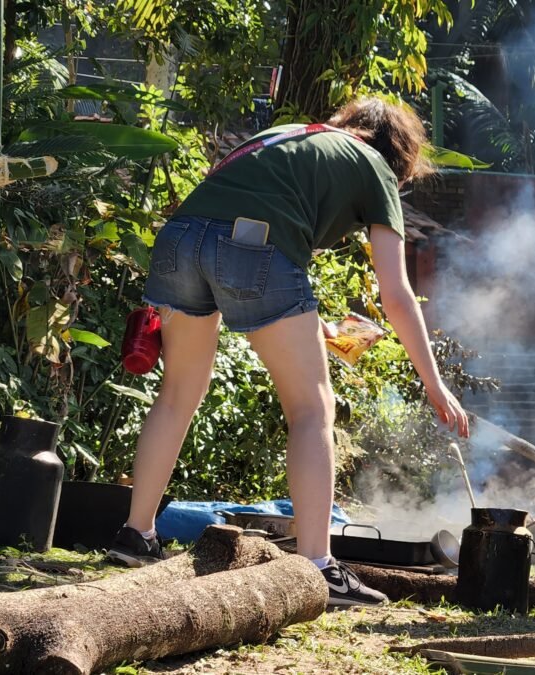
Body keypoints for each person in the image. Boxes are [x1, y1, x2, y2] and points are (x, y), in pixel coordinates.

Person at [107, 98, 470, 607]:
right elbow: (396, 293)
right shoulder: (374, 166)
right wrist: (435, 384)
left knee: (178, 393)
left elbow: (233, 221)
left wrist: (313, 323)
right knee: (312, 409)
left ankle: (136, 533)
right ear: (399, 156)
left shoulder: (292, 136)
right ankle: (319, 567)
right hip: (251, 248)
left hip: (179, 239)